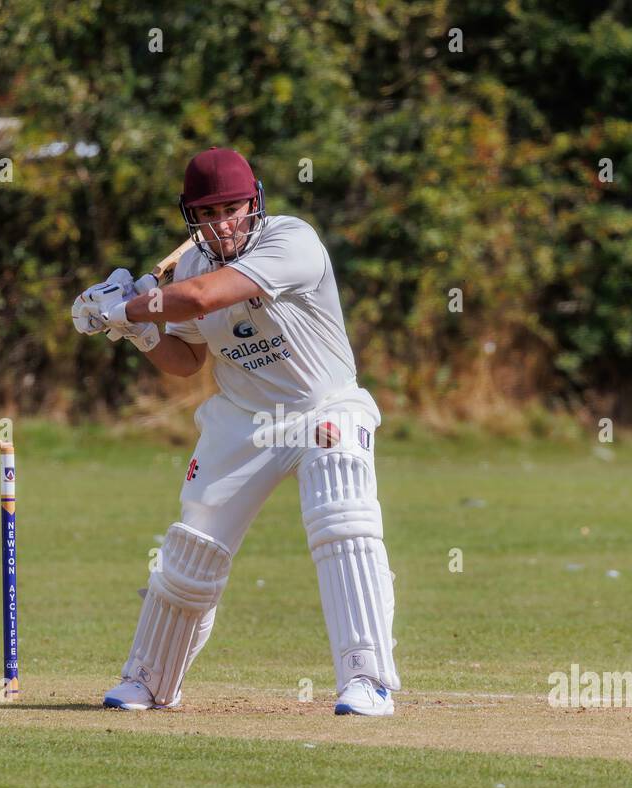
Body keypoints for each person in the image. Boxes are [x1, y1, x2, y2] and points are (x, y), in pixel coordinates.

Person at [71, 147, 399, 716]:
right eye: (208, 212)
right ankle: (149, 679)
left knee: (342, 521)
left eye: (232, 208)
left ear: (255, 202)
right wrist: (136, 332)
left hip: (323, 406)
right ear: (190, 217)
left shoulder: (291, 241)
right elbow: (185, 361)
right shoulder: (192, 266)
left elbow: (203, 298)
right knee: (192, 548)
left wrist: (127, 307)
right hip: (244, 420)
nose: (223, 223)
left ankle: (366, 679)